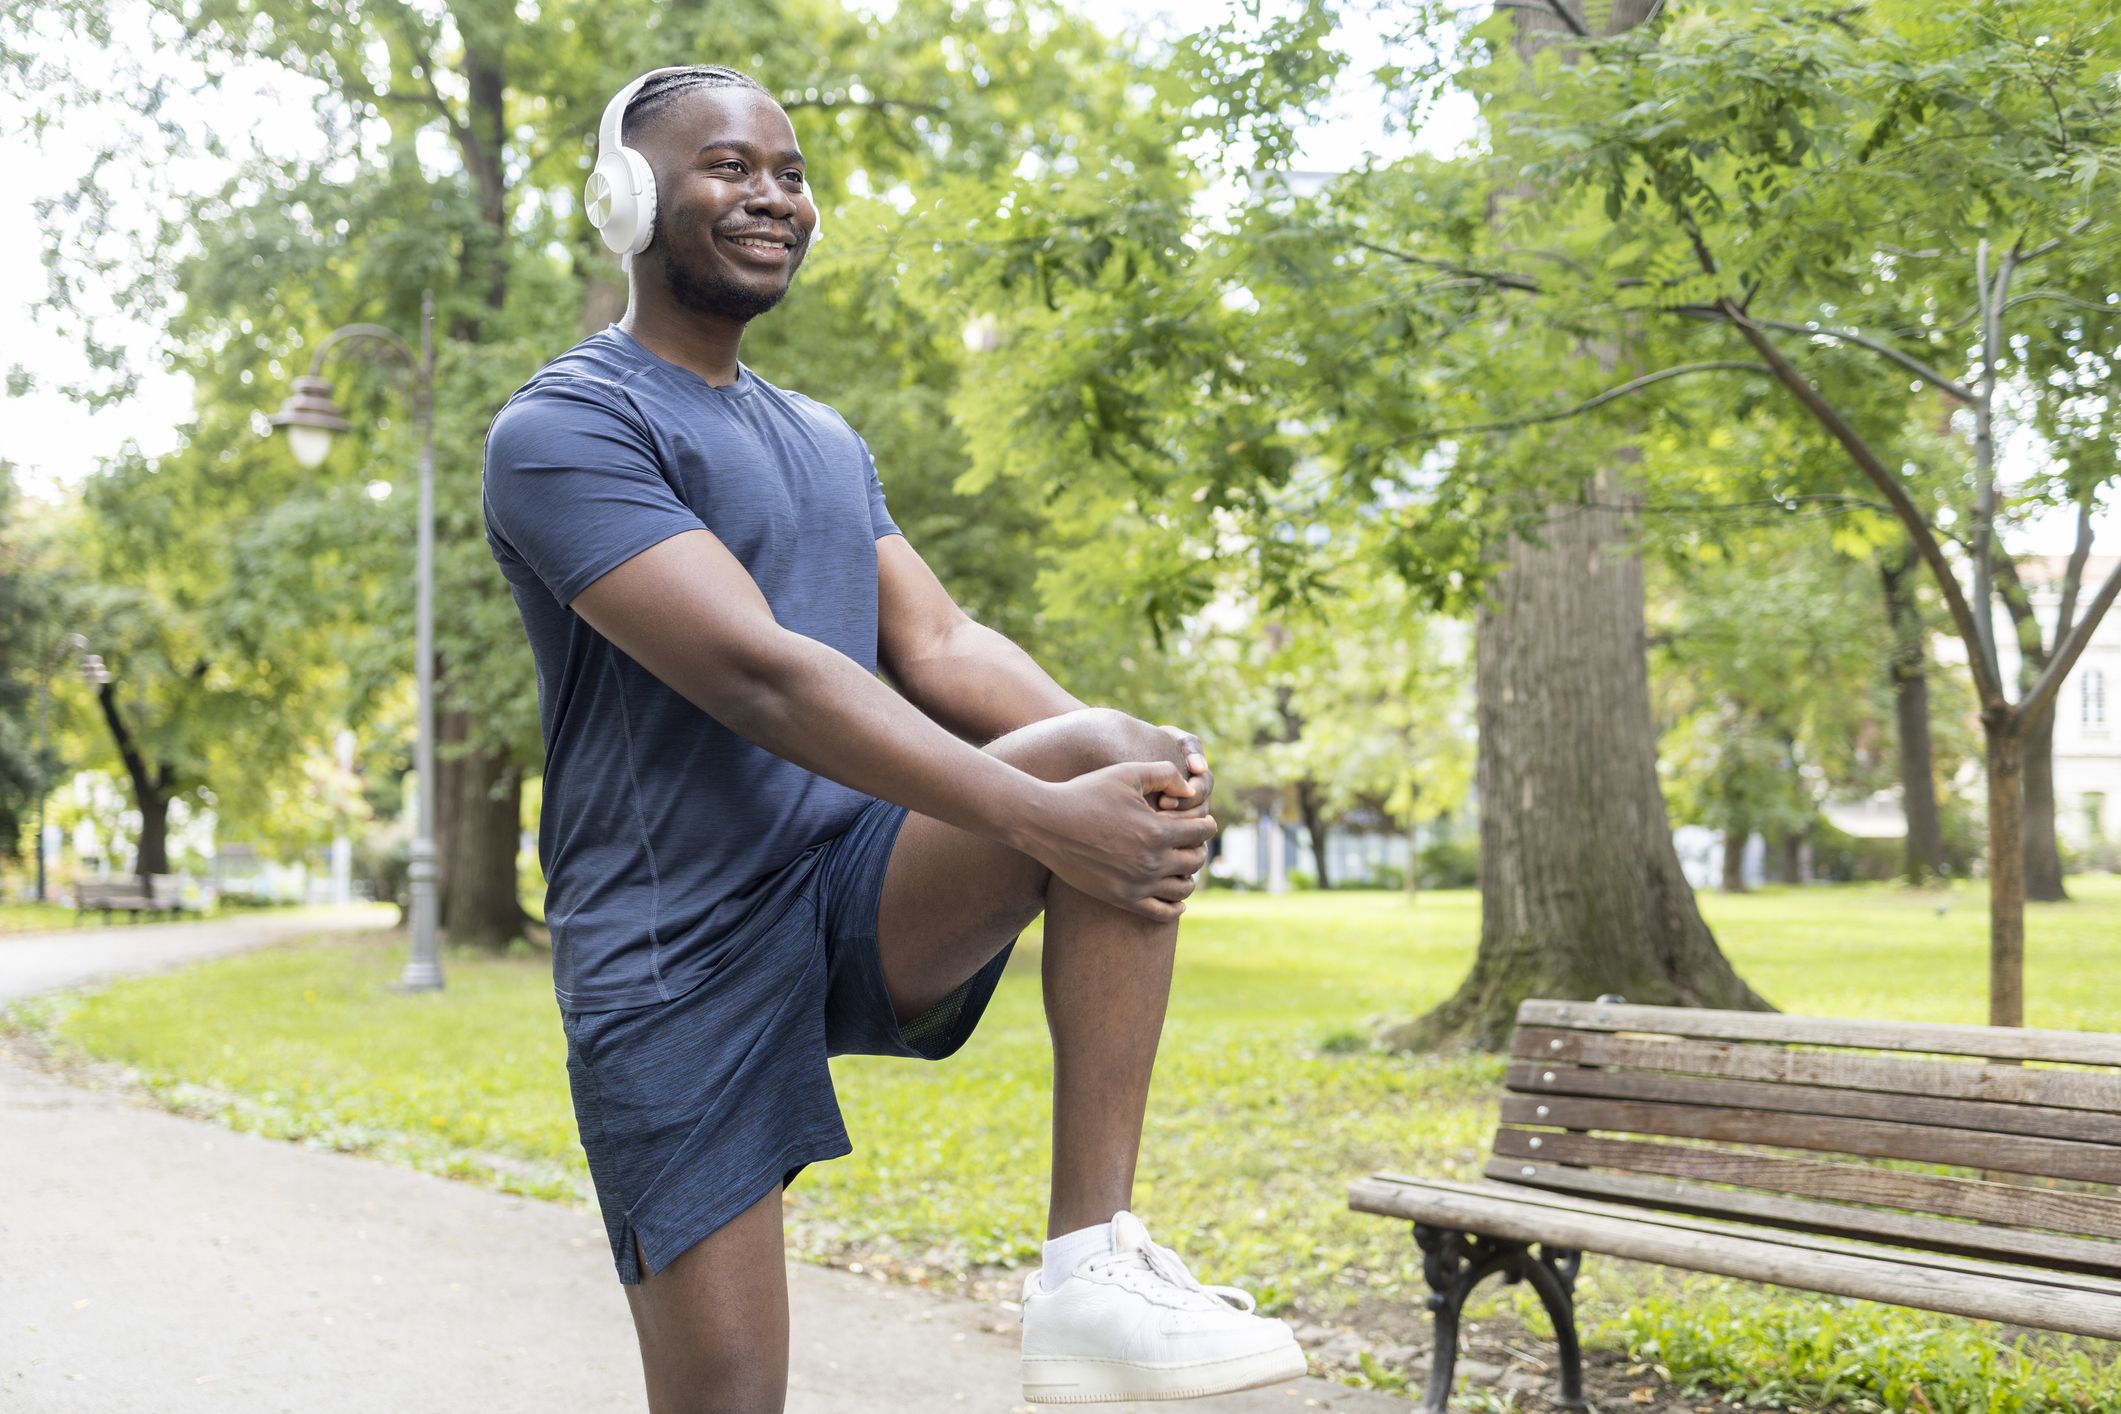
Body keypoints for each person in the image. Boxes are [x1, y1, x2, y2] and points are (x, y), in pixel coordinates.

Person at [482, 64, 1307, 1412]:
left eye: (790, 172)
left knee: (1113, 756)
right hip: (670, 949)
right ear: (627, 196)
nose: (771, 196)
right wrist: (1036, 815)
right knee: (726, 1401)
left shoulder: (819, 435)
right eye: (729, 167)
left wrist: (1122, 763)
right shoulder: (565, 427)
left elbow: (938, 645)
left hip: (847, 889)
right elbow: (761, 676)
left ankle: (1088, 1272)